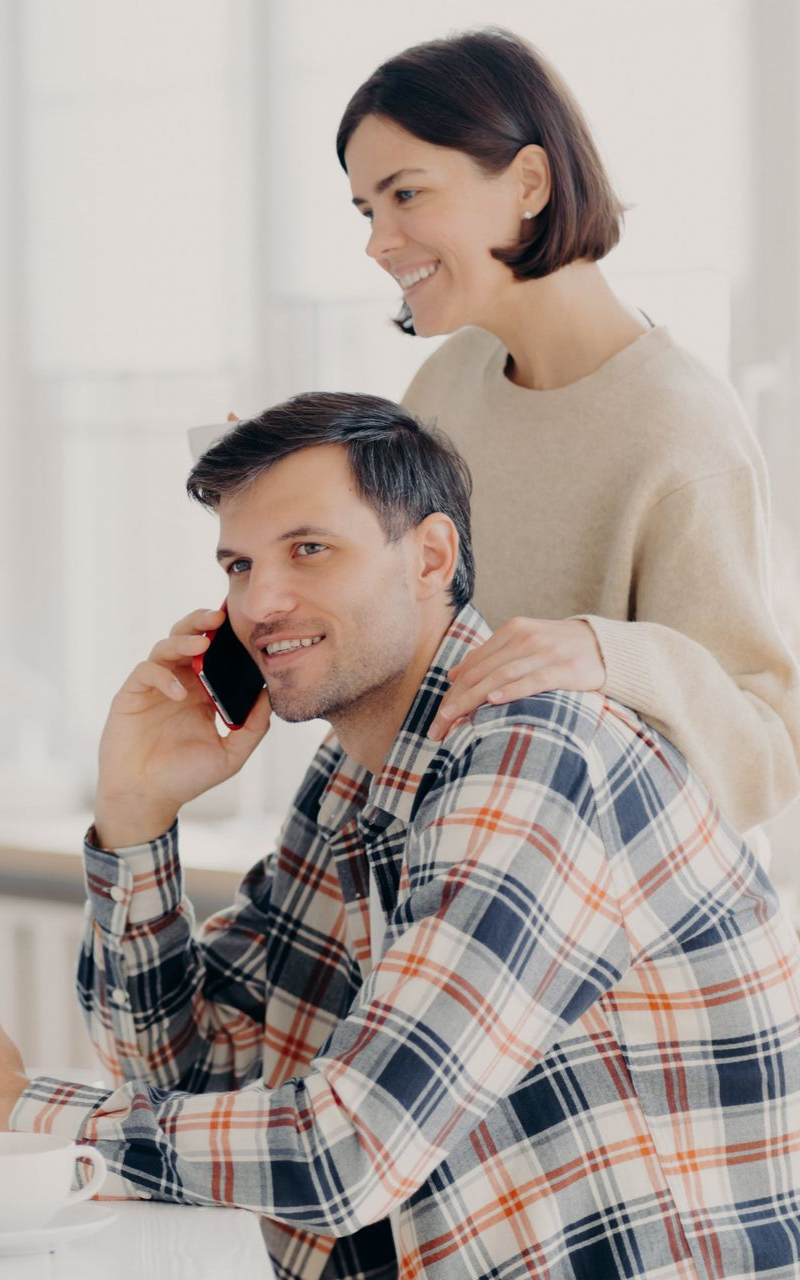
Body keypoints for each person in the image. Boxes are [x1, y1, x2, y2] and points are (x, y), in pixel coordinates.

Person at [2, 392, 800, 1280]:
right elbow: (189, 1073)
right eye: (237, 565)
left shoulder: (533, 757)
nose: (259, 601)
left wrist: (21, 1110)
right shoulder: (350, 774)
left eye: (309, 549)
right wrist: (136, 816)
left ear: (430, 556)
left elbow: (347, 1151)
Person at [336, 26, 800, 837]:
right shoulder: (444, 385)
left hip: (611, 942)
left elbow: (768, 753)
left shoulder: (681, 432)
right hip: (452, 868)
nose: (377, 242)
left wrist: (607, 654)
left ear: (528, 180)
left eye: (406, 195)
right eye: (367, 209)